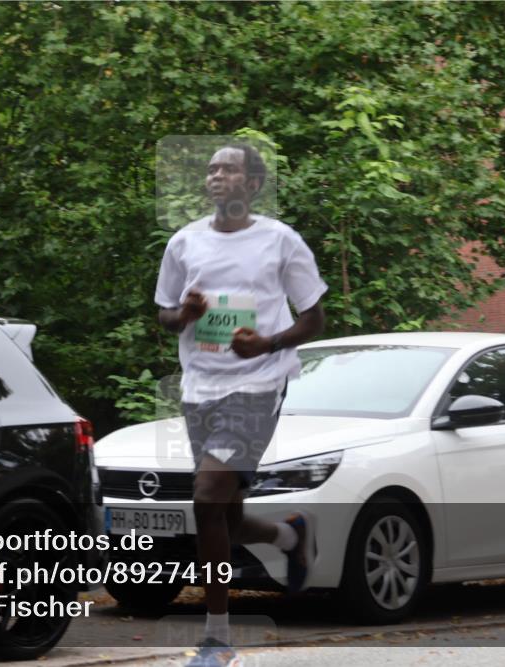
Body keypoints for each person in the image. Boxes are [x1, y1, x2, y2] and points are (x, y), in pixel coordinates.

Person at [155, 143, 327, 667]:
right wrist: (185, 315)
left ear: (252, 184)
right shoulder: (184, 242)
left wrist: (268, 343)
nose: (216, 176)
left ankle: (217, 639)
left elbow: (314, 318)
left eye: (228, 169)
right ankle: (287, 534)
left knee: (207, 498)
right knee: (225, 516)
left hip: (257, 384)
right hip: (199, 387)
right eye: (211, 169)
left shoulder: (280, 240)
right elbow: (164, 315)